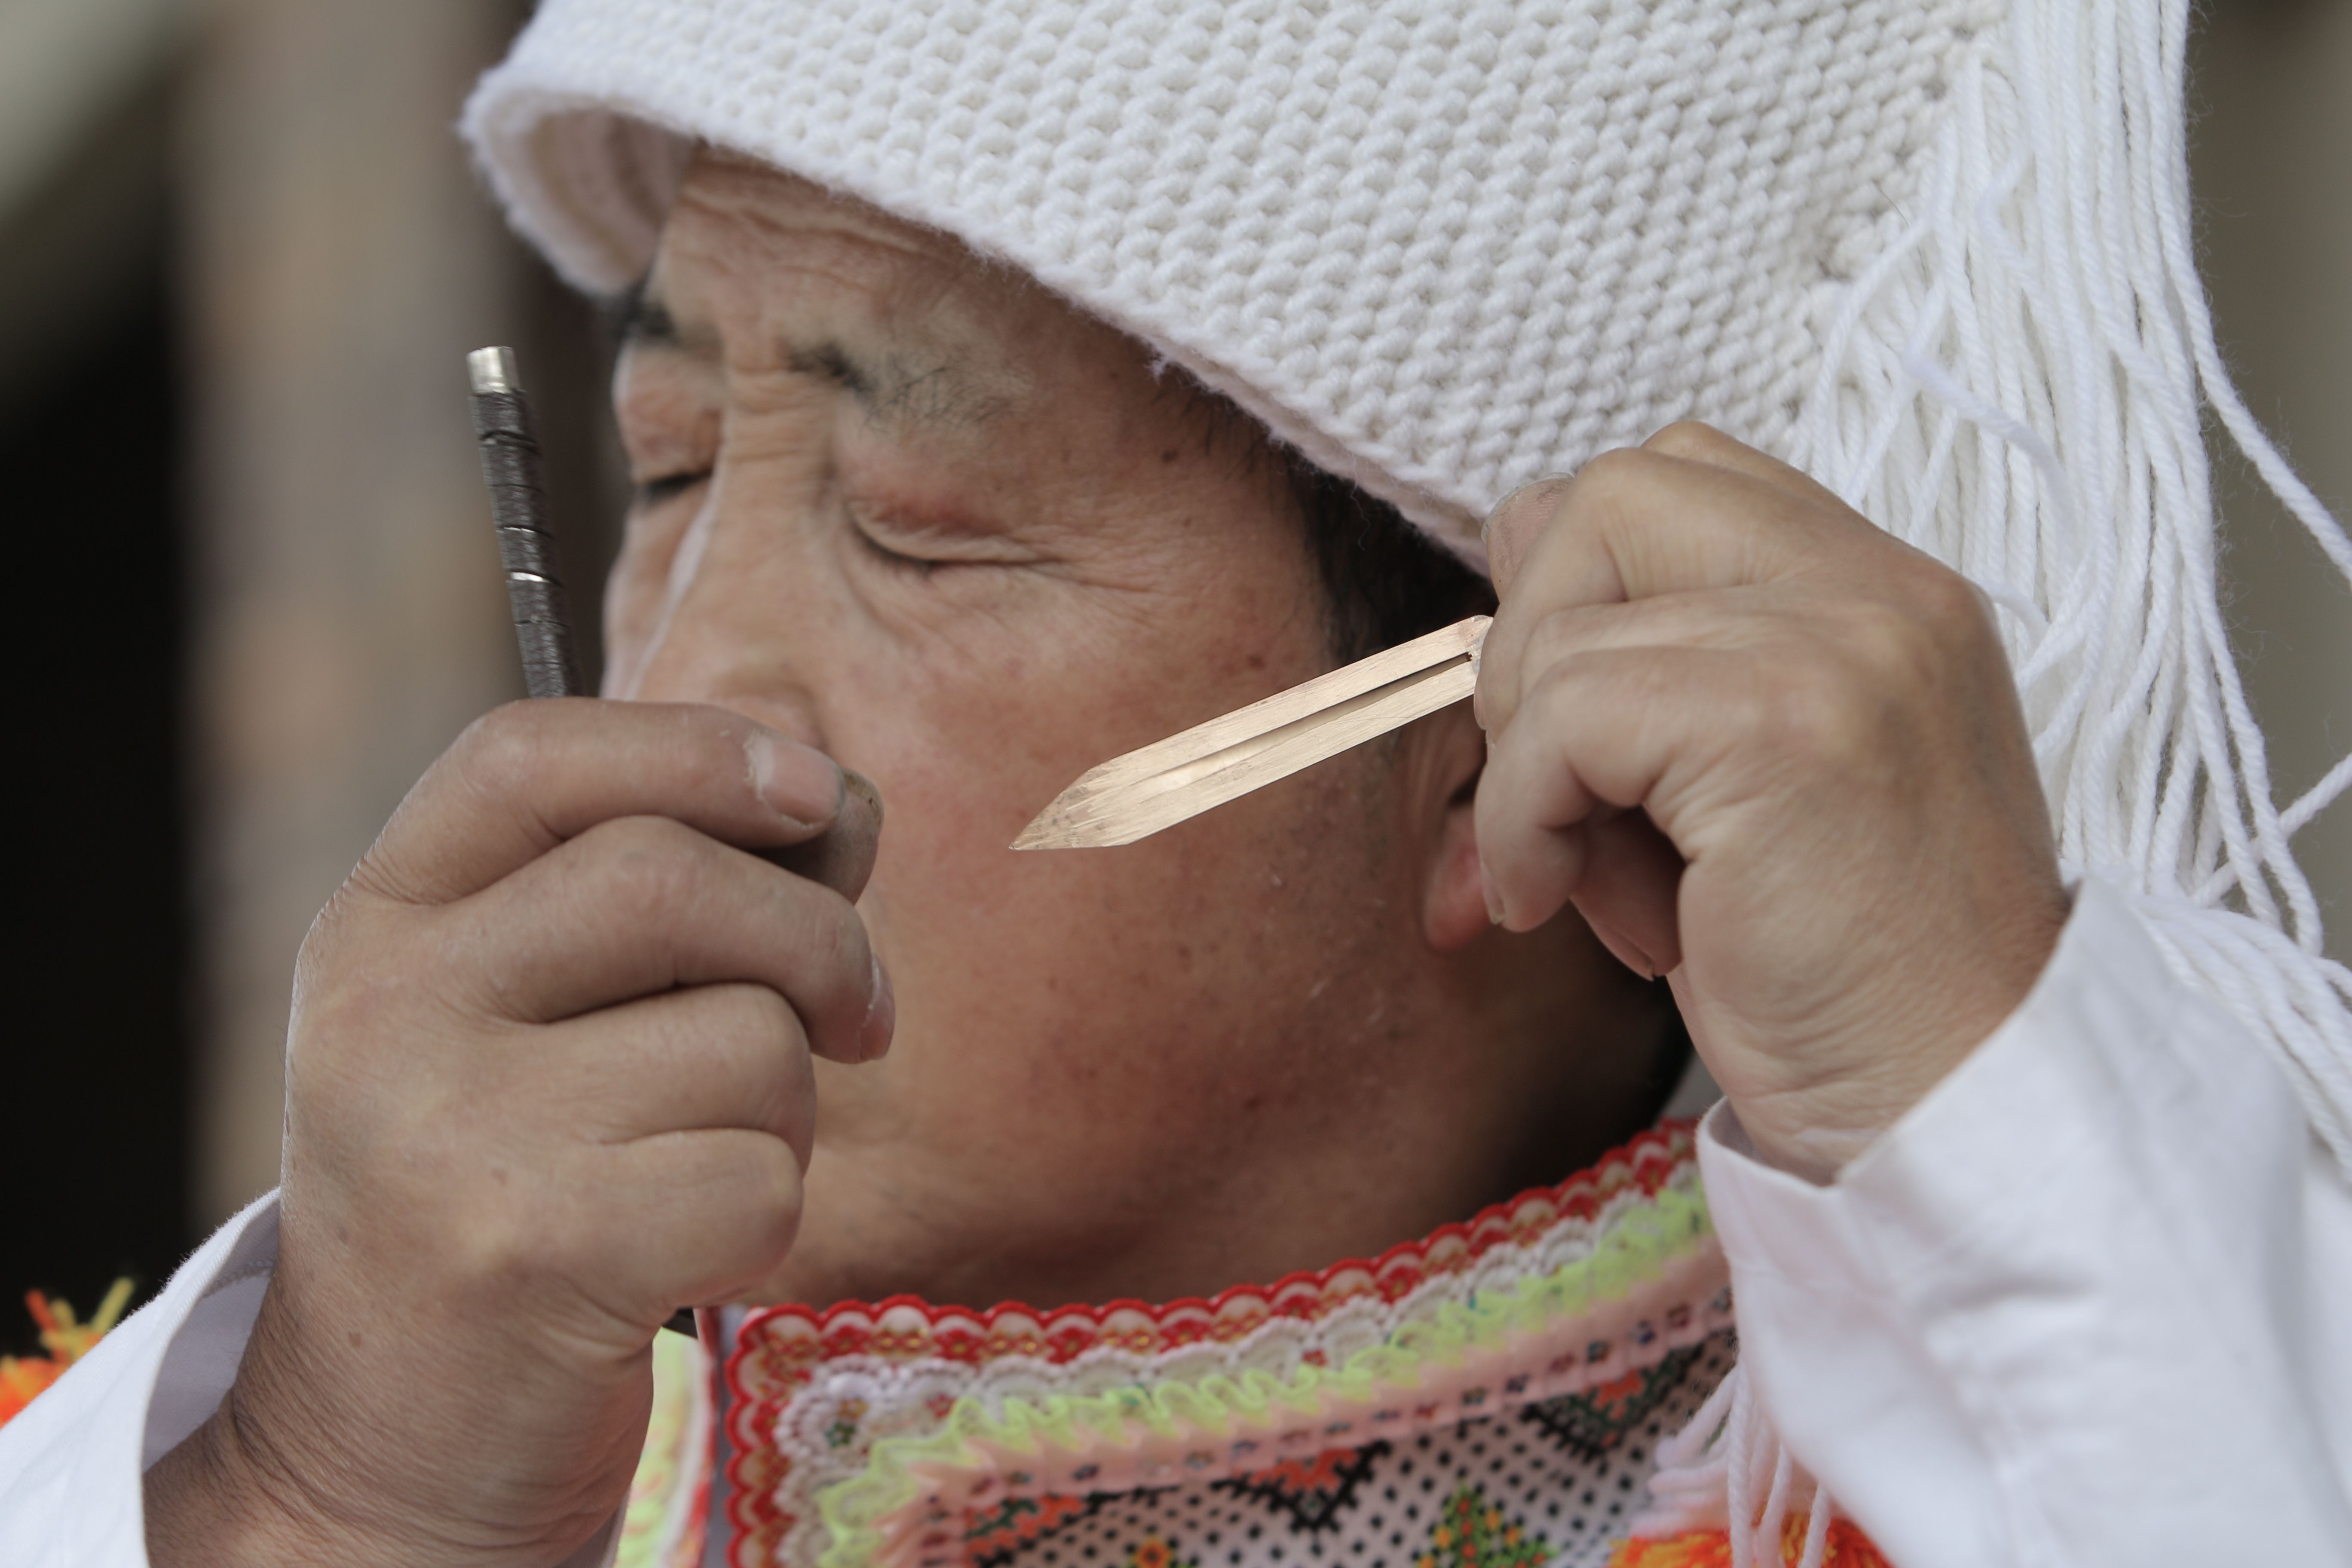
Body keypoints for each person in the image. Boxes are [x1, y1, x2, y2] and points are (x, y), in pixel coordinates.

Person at [6, 2, 2350, 1565]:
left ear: (1511, 733)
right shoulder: (294, 1468)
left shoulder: (2088, 1448)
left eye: (921, 525)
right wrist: (320, 1496)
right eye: (675, 463)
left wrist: (2001, 1123)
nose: (687, 685)